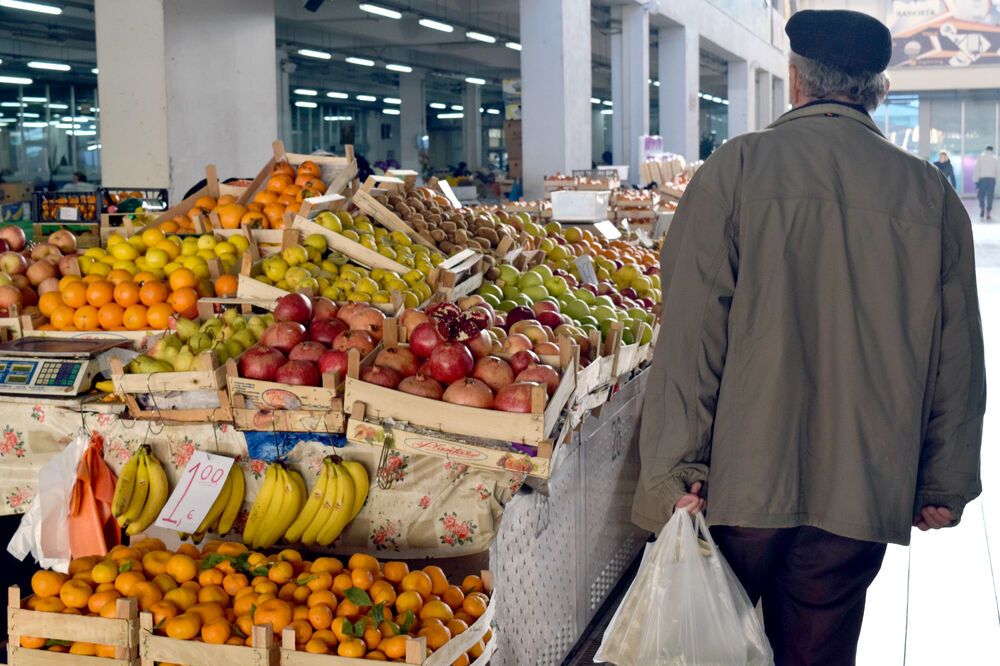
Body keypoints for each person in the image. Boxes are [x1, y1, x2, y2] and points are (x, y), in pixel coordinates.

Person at [632, 9, 985, 665]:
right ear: (874, 89)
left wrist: (672, 473)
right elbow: (957, 356)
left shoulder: (734, 171)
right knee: (822, 643)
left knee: (715, 643)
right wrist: (943, 478)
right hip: (863, 481)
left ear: (795, 81)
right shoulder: (928, 194)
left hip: (739, 483)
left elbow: (690, 336)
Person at [974, 145, 998, 219]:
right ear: (992, 150)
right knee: (990, 196)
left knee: (981, 195)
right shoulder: (995, 159)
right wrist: (995, 179)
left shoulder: (980, 158)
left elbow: (977, 169)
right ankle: (988, 213)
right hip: (992, 179)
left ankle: (982, 209)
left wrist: (976, 180)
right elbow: (997, 171)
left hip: (982, 179)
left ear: (985, 149)